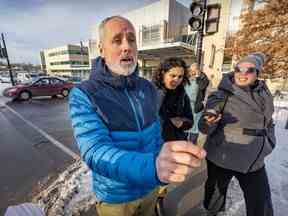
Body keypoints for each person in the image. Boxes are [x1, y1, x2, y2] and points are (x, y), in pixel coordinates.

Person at [69, 16, 206, 216]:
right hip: (116, 198)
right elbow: (94, 151)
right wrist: (153, 167)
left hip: (150, 189)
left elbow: (156, 134)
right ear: (101, 49)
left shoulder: (148, 88)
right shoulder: (84, 94)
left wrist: (164, 160)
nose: (126, 47)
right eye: (117, 40)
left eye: (131, 40)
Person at [199, 52, 275, 216]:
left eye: (249, 70)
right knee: (215, 196)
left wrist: (270, 139)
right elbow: (205, 125)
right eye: (238, 69)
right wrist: (208, 121)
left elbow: (268, 121)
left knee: (261, 202)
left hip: (254, 159)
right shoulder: (222, 94)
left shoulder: (264, 94)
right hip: (223, 155)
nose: (242, 73)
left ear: (257, 74)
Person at [153, 57, 193, 142]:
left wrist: (182, 124)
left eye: (180, 77)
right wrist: (167, 122)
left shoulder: (182, 94)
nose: (177, 80)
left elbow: (190, 121)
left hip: (177, 142)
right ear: (163, 73)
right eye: (173, 75)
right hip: (156, 145)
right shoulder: (150, 92)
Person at [184, 63, 209, 144]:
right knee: (183, 130)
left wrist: (198, 76)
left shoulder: (203, 78)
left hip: (196, 108)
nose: (192, 72)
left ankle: (191, 149)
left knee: (194, 131)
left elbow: (202, 86)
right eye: (191, 70)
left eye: (194, 70)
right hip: (185, 107)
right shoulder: (187, 78)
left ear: (198, 70)